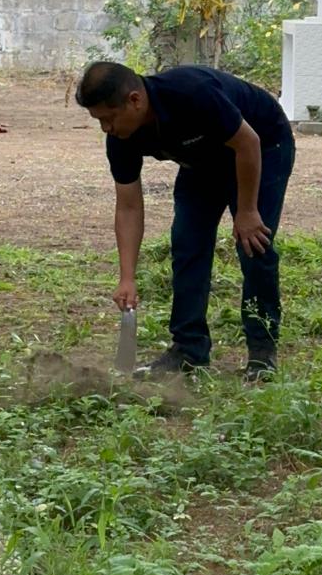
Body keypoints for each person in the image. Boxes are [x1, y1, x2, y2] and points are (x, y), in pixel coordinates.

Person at [76, 61, 295, 381]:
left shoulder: (191, 93)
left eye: (108, 118)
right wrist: (127, 277)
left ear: (135, 100)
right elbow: (128, 207)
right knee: (187, 242)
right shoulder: (121, 138)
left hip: (262, 144)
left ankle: (262, 353)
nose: (105, 128)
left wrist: (247, 211)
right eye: (99, 121)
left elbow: (248, 143)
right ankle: (189, 351)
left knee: (253, 245)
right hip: (204, 161)